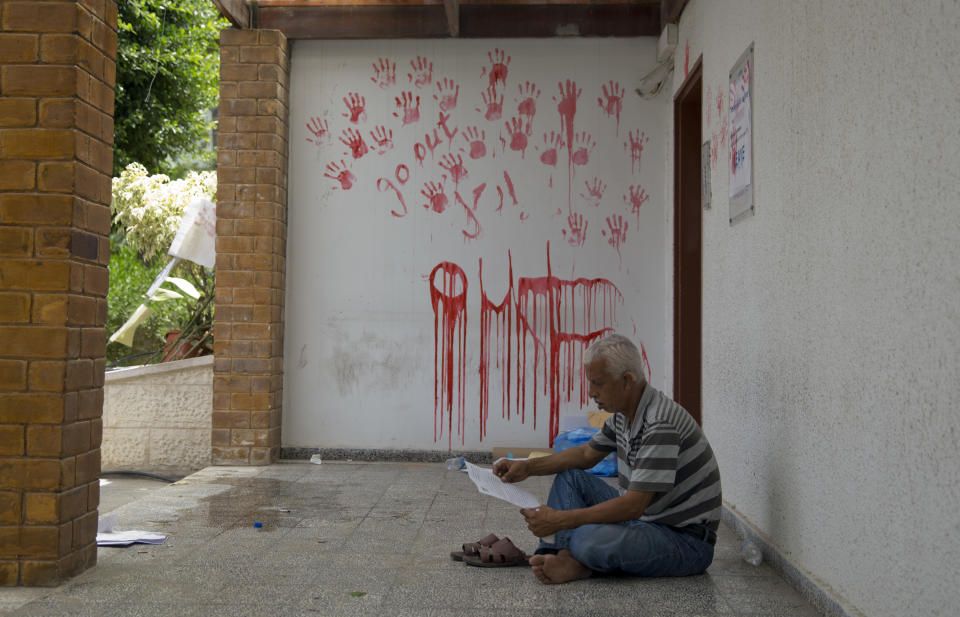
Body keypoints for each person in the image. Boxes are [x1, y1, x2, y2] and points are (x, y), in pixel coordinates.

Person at [493, 333, 721, 584]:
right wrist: (527, 467)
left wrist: (560, 520)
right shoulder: (625, 414)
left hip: (684, 540)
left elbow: (633, 506)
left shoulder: (660, 424)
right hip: (646, 520)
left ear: (626, 381)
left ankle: (575, 558)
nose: (591, 392)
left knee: (587, 539)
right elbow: (585, 454)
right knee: (571, 477)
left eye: (598, 383)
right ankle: (563, 556)